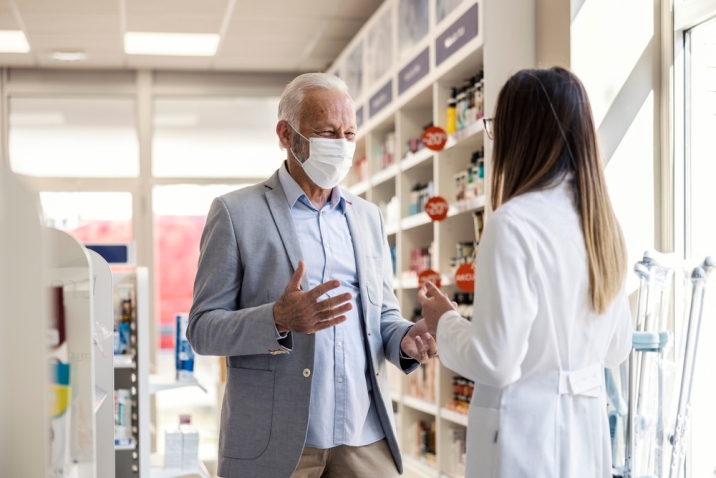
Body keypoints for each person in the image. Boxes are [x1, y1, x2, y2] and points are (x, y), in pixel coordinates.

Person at [187, 72, 438, 478]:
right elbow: (202, 329)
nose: (341, 145)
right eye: (326, 132)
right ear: (287, 135)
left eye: (349, 133)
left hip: (364, 437)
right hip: (277, 442)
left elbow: (382, 316)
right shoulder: (236, 213)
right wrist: (277, 319)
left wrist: (407, 338)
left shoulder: (367, 217)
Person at [418, 67, 632, 478]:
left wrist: (444, 320)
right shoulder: (603, 223)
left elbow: (496, 361)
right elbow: (616, 348)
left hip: (525, 439)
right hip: (586, 438)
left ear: (521, 135)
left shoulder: (513, 222)